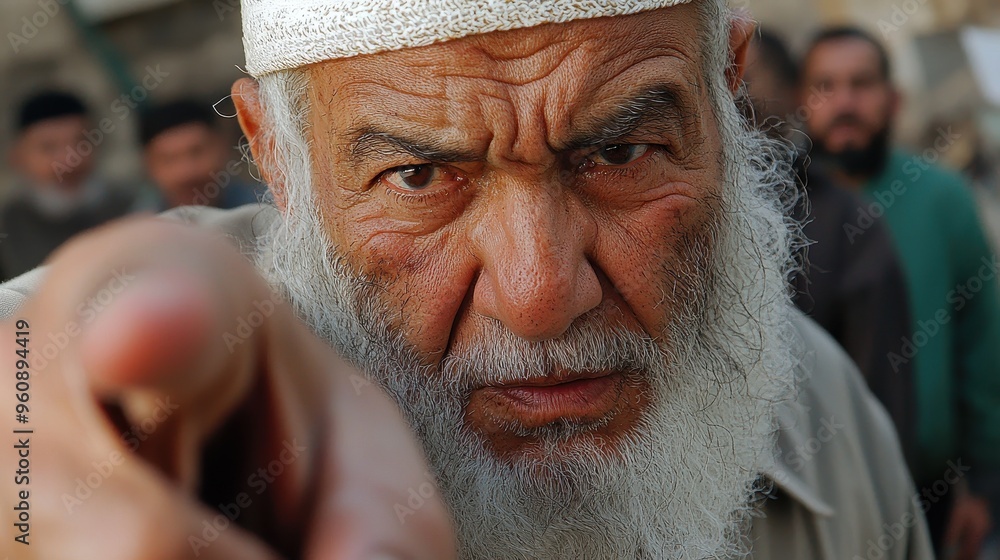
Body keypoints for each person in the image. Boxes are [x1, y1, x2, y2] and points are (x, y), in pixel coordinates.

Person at [0, 2, 933, 558]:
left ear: (725, 98)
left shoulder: (827, 424)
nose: (539, 295)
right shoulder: (202, 414)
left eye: (621, 151)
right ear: (273, 156)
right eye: (418, 178)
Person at [800, 26, 1000, 559]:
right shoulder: (772, 208)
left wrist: (983, 487)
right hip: (798, 497)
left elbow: (982, 349)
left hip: (923, 492)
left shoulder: (942, 200)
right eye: (826, 85)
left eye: (861, 84)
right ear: (802, 99)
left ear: (893, 100)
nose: (844, 101)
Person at [744, 28, 915, 455]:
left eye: (744, 79)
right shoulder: (685, 214)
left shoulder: (846, 220)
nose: (730, 96)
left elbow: (883, 397)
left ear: (790, 95)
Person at [0, 91, 133, 280]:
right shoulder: (8, 227)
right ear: (18, 157)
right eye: (49, 148)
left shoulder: (133, 209)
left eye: (81, 143)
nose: (69, 160)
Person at [136, 99, 263, 211]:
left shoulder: (266, 209)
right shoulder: (138, 229)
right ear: (149, 166)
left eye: (197, 152)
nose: (187, 172)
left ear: (222, 147)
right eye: (169, 159)